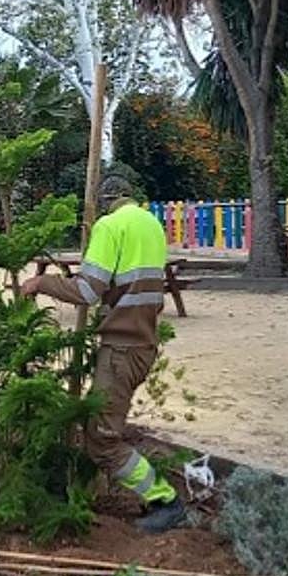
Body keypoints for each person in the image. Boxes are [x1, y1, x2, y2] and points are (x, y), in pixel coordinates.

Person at [20, 176, 186, 534]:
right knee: (104, 427)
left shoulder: (110, 226)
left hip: (121, 348)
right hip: (143, 342)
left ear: (102, 203)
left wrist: (40, 283)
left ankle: (164, 500)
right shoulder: (151, 223)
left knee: (102, 440)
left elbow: (87, 290)